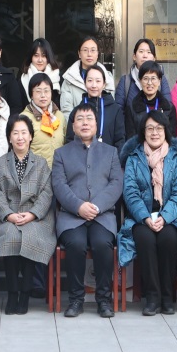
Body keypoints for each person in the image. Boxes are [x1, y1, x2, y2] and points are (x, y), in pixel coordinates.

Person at [118, 111, 177, 316]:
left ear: (166, 131)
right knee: (145, 238)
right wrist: (144, 217)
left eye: (159, 128)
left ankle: (167, 297)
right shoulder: (134, 158)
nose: (154, 133)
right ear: (143, 132)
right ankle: (152, 297)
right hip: (140, 218)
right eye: (150, 128)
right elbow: (130, 192)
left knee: (168, 239)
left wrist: (165, 217)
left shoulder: (175, 158)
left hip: (171, 219)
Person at [51, 103, 123, 318]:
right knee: (76, 244)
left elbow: (116, 183)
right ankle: (75, 299)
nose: (85, 123)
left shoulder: (111, 152)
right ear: (73, 126)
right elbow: (59, 185)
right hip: (71, 216)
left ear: (96, 124)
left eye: (89, 118)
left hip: (103, 216)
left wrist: (97, 206)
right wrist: (78, 206)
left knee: (102, 244)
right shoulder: (61, 153)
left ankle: (104, 299)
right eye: (80, 119)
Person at [0, 116, 56, 315]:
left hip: (35, 217)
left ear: (31, 136)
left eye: (24, 133)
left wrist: (33, 214)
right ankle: (12, 293)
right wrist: (9, 215)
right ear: (9, 137)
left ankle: (25, 294)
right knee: (11, 235)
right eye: (15, 133)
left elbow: (47, 193)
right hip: (7, 217)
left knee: (30, 235)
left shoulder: (41, 163)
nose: (20, 137)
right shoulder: (1, 164)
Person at [67, 65, 125, 148]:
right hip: (81, 156)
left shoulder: (115, 110)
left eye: (98, 81)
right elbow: (70, 140)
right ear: (85, 83)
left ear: (104, 84)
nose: (94, 85)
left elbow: (120, 140)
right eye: (90, 80)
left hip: (109, 156)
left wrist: (114, 156)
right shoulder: (77, 111)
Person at [60, 36, 114, 117]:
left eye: (93, 50)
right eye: (85, 50)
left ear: (98, 54)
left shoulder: (107, 78)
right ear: (79, 54)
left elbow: (111, 109)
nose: (89, 54)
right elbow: (66, 111)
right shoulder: (69, 79)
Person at [114, 39, 169, 114]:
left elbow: (167, 109)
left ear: (154, 58)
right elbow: (118, 112)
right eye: (141, 51)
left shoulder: (162, 80)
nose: (145, 56)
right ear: (134, 56)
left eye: (149, 52)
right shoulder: (125, 81)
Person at [22, 72, 64, 166]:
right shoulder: (24, 119)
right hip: (35, 172)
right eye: (38, 91)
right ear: (31, 94)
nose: (43, 95)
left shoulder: (60, 116)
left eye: (46, 91)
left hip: (58, 171)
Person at [126, 61, 173, 142]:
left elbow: (171, 138)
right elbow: (130, 138)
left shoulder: (168, 108)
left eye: (153, 78)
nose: (149, 83)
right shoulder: (132, 107)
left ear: (159, 81)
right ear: (140, 81)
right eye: (145, 79)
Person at [20, 37, 62, 109]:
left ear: (49, 57)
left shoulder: (58, 78)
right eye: (36, 55)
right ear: (31, 57)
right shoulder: (23, 79)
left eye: (43, 56)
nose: (40, 60)